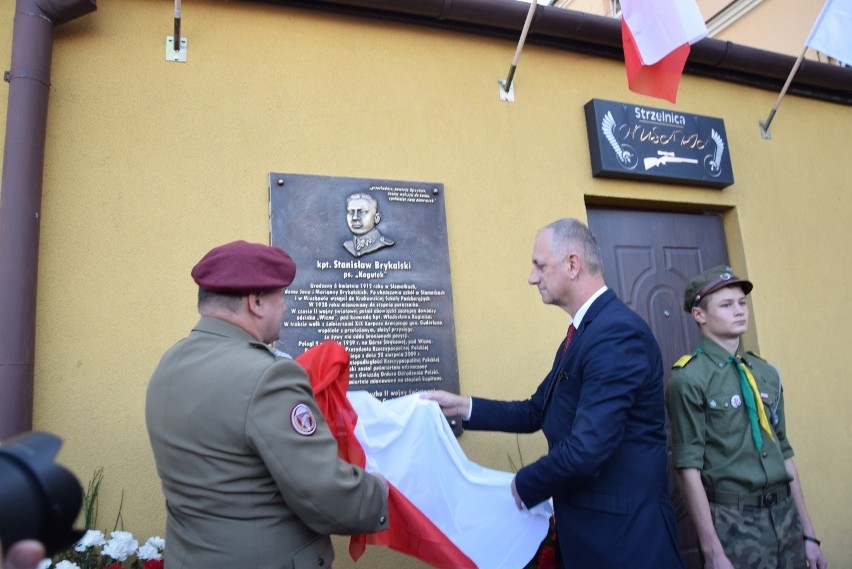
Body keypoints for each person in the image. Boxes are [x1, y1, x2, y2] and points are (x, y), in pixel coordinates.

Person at [423, 218, 683, 568]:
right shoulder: (584, 333)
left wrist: (519, 487)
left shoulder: (616, 334)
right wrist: (464, 407)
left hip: (624, 542)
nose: (533, 277)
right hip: (591, 538)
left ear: (572, 264)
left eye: (540, 266)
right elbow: (536, 410)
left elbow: (587, 449)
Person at [145, 240, 389, 569]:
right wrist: (383, 491)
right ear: (256, 302)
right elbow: (325, 495)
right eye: (281, 297)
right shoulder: (268, 376)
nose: (285, 308)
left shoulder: (171, 362)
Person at [667, 265, 827, 569]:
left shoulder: (765, 373)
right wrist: (713, 552)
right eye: (727, 305)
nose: (739, 311)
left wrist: (809, 536)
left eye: (742, 303)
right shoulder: (689, 379)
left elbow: (785, 452)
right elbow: (687, 468)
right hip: (734, 524)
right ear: (699, 315)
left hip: (785, 517)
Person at [342, 193, 394, 257]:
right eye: (351, 212)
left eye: (362, 212)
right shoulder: (348, 245)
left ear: (376, 218)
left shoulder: (382, 244)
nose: (355, 217)